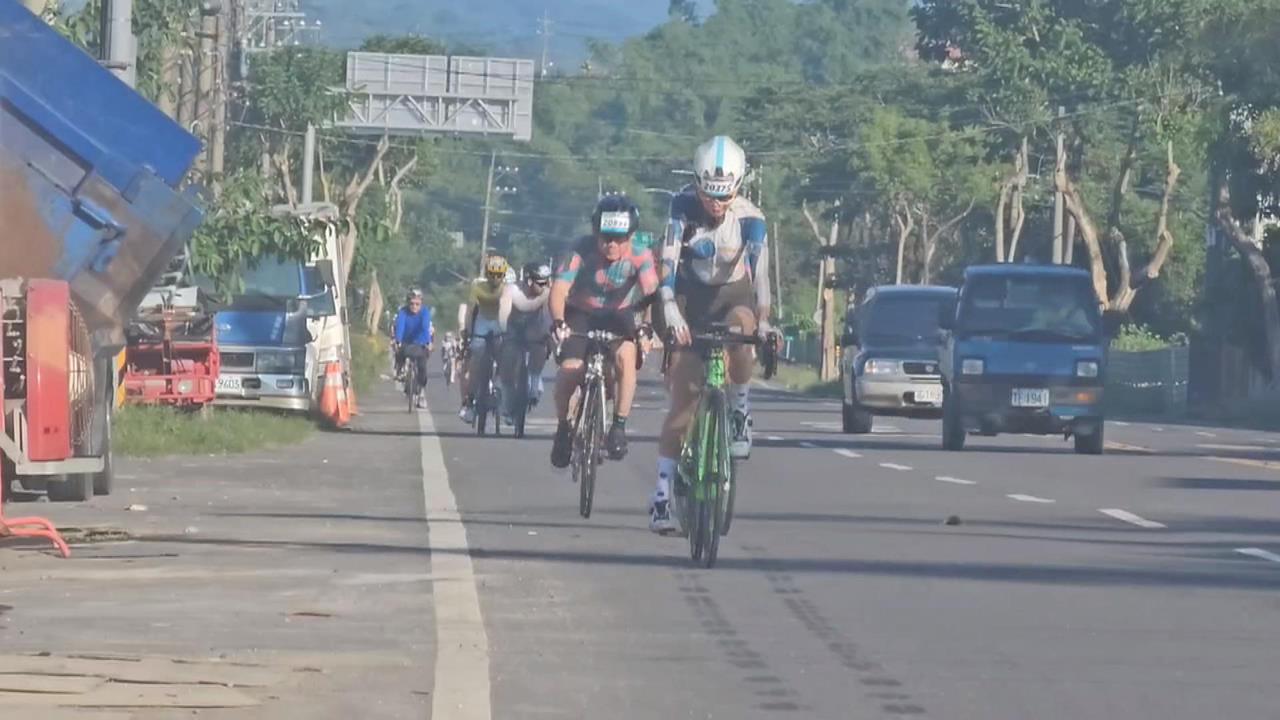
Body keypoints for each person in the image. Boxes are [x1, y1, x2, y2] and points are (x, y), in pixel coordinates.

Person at [650, 135, 774, 533]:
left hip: (732, 293)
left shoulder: (751, 219)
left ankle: (739, 405)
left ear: (738, 188)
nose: (715, 205)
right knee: (683, 401)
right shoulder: (681, 206)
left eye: (724, 197)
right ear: (696, 185)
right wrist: (669, 309)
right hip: (686, 294)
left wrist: (766, 320)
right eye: (708, 196)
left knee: (744, 328)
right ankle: (661, 497)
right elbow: (666, 264)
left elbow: (761, 281)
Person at [549, 195, 659, 469]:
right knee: (569, 373)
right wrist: (559, 321)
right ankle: (563, 428)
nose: (611, 245)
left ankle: (619, 426)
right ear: (596, 233)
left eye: (619, 239)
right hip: (581, 313)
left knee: (625, 358)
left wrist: (646, 326)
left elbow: (651, 295)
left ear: (631, 236)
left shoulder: (640, 255)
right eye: (605, 237)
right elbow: (559, 290)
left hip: (618, 315)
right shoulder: (580, 251)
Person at [498, 261, 554, 423]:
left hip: (535, 333)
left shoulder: (548, 293)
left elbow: (549, 320)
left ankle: (535, 381)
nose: (546, 286)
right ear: (529, 280)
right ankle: (508, 403)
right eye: (542, 283)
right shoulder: (513, 290)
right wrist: (502, 330)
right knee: (508, 361)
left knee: (541, 347)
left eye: (548, 282)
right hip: (514, 330)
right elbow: (506, 312)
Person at [459, 254, 512, 424]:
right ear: (487, 273)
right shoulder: (478, 287)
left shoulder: (508, 288)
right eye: (491, 274)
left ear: (504, 275)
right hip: (482, 321)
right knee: (476, 360)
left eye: (499, 275)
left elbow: (511, 310)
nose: (495, 278)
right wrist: (467, 330)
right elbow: (470, 310)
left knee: (505, 357)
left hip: (499, 321)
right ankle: (471, 402)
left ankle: (505, 398)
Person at [392, 288, 434, 407]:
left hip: (421, 342)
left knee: (422, 368)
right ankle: (400, 370)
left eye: (417, 304)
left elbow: (425, 327)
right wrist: (398, 340)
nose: (414, 306)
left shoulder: (425, 313)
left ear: (421, 304)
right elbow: (400, 326)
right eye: (411, 304)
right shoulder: (403, 312)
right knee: (399, 351)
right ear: (407, 303)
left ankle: (421, 394)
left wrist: (428, 342)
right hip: (406, 342)